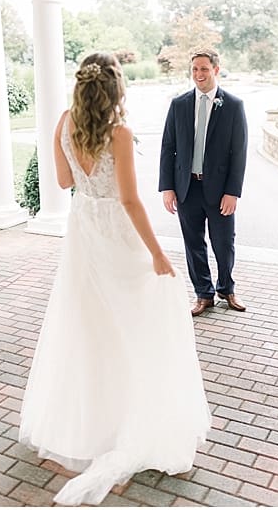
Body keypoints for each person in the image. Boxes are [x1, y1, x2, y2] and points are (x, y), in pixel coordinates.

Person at [19, 53, 210, 506]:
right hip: (115, 236)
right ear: (115, 90)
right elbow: (129, 201)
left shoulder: (63, 123)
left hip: (82, 230)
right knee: (135, 323)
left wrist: (80, 172)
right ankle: (129, 415)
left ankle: (92, 419)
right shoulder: (119, 134)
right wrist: (159, 254)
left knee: (87, 322)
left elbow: (65, 178)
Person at [159, 48, 249, 317]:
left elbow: (239, 152)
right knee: (193, 244)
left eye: (204, 69)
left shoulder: (232, 105)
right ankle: (203, 293)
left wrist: (232, 192)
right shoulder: (179, 104)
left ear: (216, 70)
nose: (199, 74)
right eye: (195, 69)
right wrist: (167, 187)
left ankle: (226, 288)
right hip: (187, 188)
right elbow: (168, 147)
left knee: (224, 242)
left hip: (220, 190)